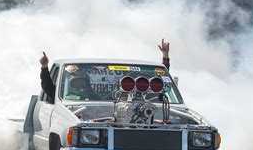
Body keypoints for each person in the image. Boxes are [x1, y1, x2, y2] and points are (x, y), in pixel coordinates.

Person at [39, 38, 171, 102]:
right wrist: (44, 67)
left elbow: (160, 83)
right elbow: (48, 86)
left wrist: (165, 57)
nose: (79, 87)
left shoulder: (138, 99)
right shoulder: (69, 98)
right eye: (77, 83)